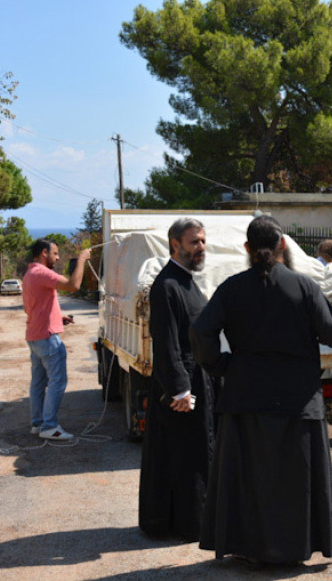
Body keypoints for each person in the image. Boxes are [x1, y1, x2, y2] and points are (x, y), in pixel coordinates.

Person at [190, 215, 332, 565]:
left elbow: (200, 334)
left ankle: (249, 548)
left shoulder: (232, 287)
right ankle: (293, 550)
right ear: (283, 245)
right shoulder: (304, 287)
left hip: (245, 399)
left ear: (247, 249)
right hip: (297, 401)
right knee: (294, 480)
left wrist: (223, 366)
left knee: (250, 479)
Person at [139, 217, 217, 541]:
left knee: (193, 453)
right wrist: (179, 389)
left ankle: (191, 521)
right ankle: (185, 524)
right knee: (185, 456)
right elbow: (166, 342)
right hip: (183, 389)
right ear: (176, 244)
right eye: (194, 242)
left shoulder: (186, 279)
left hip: (197, 382)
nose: (201, 247)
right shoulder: (167, 285)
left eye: (202, 241)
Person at [23, 239, 91, 440]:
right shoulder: (42, 272)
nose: (58, 257)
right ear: (44, 253)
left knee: (38, 383)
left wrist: (57, 317)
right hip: (47, 337)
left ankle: (38, 424)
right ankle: (49, 427)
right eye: (55, 253)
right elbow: (73, 285)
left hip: (35, 336)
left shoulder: (30, 273)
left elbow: (35, 306)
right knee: (57, 382)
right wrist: (81, 260)